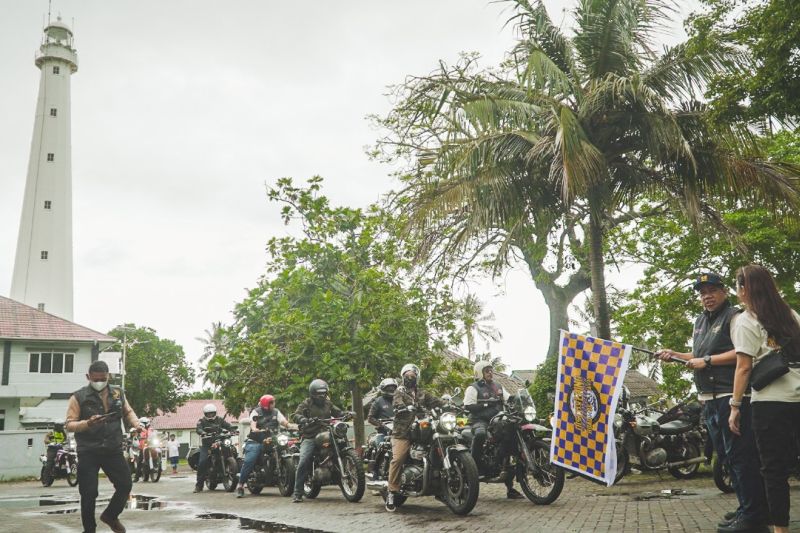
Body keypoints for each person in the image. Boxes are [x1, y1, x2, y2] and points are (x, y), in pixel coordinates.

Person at [656, 272, 767, 532]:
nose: (707, 296)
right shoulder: (700, 322)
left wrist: (706, 362)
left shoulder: (735, 317)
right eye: (702, 292)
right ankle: (745, 508)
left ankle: (754, 515)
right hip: (708, 399)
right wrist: (674, 355)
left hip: (730, 396)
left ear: (724, 292)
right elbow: (697, 355)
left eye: (712, 290)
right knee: (727, 458)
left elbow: (743, 353)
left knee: (741, 457)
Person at [728, 264, 800, 533]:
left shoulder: (746, 320)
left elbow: (744, 367)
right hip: (798, 399)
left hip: (770, 404)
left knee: (773, 471)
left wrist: (735, 406)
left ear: (744, 289)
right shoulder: (791, 315)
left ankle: (780, 530)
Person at [65, 360, 140, 533]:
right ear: (88, 377)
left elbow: (128, 412)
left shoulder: (117, 393)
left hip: (112, 448)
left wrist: (136, 424)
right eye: (95, 379)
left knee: (125, 484)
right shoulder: (78, 397)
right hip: (88, 451)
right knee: (89, 493)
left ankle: (110, 516)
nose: (99, 382)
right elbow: (69, 424)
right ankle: (89, 530)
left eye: (103, 379)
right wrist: (87, 423)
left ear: (108, 377)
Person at [386, 363, 443, 512]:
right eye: (407, 376)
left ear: (417, 378)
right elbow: (396, 402)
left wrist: (448, 404)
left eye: (413, 376)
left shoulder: (422, 393)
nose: (410, 378)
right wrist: (401, 407)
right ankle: (391, 492)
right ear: (403, 377)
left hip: (421, 430)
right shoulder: (399, 391)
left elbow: (435, 401)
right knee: (398, 458)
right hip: (403, 432)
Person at [463, 361, 522, 499]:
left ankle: (510, 488)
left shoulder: (498, 386)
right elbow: (468, 406)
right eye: (487, 370)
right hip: (479, 421)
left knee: (510, 440)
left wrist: (520, 399)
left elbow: (509, 398)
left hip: (498, 420)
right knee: (480, 434)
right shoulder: (473, 388)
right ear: (479, 373)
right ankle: (475, 466)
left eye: (491, 370)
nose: (490, 372)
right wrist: (486, 403)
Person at [291, 379, 346, 503]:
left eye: (324, 393)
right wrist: (302, 419)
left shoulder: (328, 403)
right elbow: (295, 415)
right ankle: (297, 492)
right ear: (313, 394)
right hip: (310, 436)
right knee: (304, 460)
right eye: (319, 394)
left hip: (326, 432)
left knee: (342, 444)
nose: (322, 396)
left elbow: (338, 411)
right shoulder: (306, 403)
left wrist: (345, 413)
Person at [235, 394, 293, 498]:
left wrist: (291, 426)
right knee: (250, 459)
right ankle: (240, 485)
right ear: (266, 404)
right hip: (256, 440)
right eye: (271, 402)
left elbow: (283, 421)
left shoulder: (276, 411)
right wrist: (255, 428)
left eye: (273, 402)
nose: (273, 404)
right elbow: (253, 423)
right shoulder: (256, 412)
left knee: (286, 448)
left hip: (272, 439)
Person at [194, 403, 234, 493]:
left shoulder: (219, 419)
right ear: (205, 414)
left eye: (212, 413)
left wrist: (233, 430)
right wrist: (202, 432)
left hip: (219, 442)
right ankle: (198, 486)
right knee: (202, 462)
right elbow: (198, 429)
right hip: (207, 445)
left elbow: (228, 425)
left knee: (231, 450)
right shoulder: (202, 421)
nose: (210, 415)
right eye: (208, 414)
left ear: (215, 412)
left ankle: (233, 473)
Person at [367, 378, 396, 480]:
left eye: (393, 387)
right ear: (383, 389)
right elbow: (370, 418)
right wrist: (380, 424)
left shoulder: (399, 400)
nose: (391, 389)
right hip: (383, 433)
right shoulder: (378, 401)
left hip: (398, 432)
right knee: (381, 447)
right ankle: (375, 474)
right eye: (389, 388)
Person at [134, 417, 152, 482]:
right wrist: (138, 437)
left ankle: (158, 465)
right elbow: (136, 436)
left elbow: (153, 434)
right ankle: (136, 478)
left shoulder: (150, 429)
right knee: (140, 462)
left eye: (147, 423)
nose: (147, 424)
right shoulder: (140, 430)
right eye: (145, 423)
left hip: (151, 446)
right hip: (143, 448)